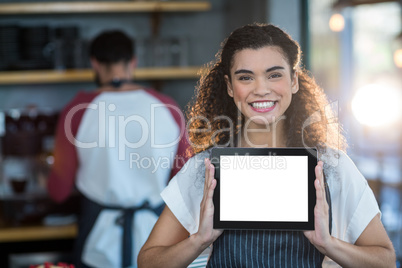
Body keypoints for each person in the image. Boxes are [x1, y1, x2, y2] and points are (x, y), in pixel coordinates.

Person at [137, 23, 396, 267]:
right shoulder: (203, 169)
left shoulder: (331, 166)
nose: (261, 89)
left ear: (294, 80)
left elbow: (384, 260)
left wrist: (327, 244)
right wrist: (199, 240)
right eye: (246, 77)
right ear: (229, 86)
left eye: (274, 75)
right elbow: (147, 262)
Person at [47, 30, 189, 268]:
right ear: (133, 61)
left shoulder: (78, 110)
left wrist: (44, 176)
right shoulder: (167, 106)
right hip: (158, 236)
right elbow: (186, 178)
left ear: (94, 63)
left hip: (98, 234)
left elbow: (59, 190)